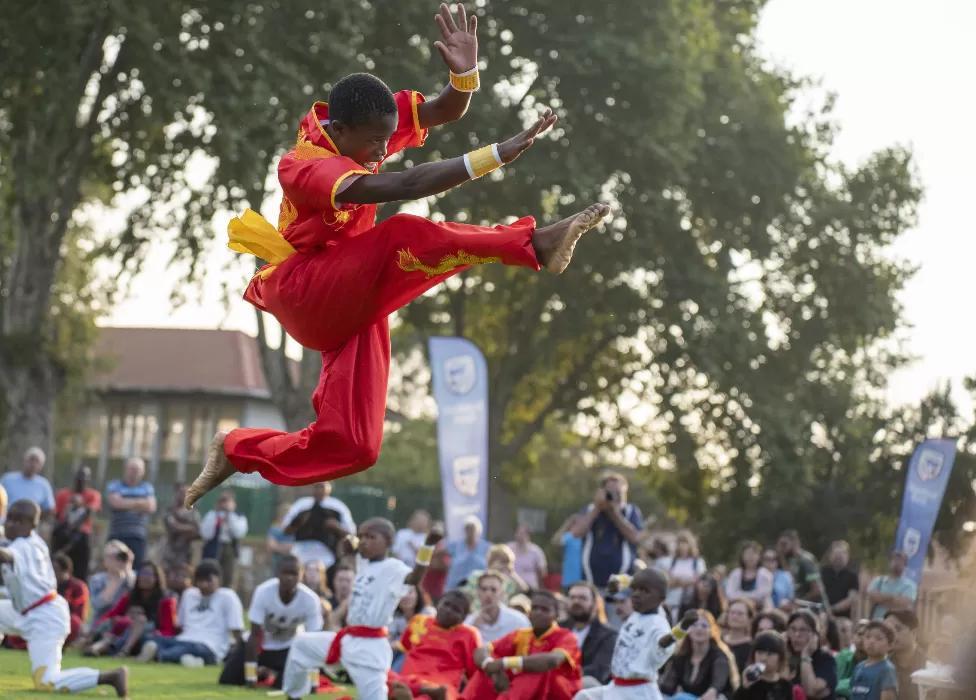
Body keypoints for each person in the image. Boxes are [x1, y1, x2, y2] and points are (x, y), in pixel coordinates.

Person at [183, 3, 610, 509]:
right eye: (374, 144)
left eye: (387, 140)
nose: (382, 152)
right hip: (306, 290)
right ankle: (534, 243)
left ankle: (237, 449)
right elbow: (405, 185)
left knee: (355, 444)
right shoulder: (305, 165)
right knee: (404, 234)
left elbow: (444, 110)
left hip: (353, 293)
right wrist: (496, 154)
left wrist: (464, 75)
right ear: (341, 130)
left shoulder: (365, 124)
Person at [281, 518, 443, 698]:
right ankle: (294, 696)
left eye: (371, 537)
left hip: (370, 647)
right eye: (362, 536)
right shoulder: (364, 562)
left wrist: (428, 546)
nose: (365, 541)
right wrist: (341, 532)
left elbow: (415, 578)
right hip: (347, 639)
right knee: (301, 645)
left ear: (388, 542)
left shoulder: (393, 568)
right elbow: (353, 543)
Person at [0, 499, 128, 696]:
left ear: (32, 525)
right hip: (25, 611)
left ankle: (110, 677)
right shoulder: (20, 540)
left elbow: (5, 556)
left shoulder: (27, 546)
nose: (11, 524)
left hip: (45, 617)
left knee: (46, 682)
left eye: (18, 521)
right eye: (9, 518)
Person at [573, 568, 697, 700]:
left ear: (661, 599)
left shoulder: (658, 623)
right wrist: (618, 582)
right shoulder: (638, 614)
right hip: (616, 687)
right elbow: (637, 579)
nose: (636, 594)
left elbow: (663, 643)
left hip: (638, 691)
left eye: (644, 591)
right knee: (583, 696)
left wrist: (682, 628)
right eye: (635, 590)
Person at [220, 554, 323, 688]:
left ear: (301, 575)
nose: (289, 578)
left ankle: (273, 674)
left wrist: (314, 682)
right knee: (228, 679)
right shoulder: (263, 591)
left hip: (288, 649)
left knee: (284, 686)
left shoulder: (310, 599)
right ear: (277, 574)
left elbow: (313, 642)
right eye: (285, 573)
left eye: (294, 574)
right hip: (261, 647)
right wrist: (251, 677)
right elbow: (254, 634)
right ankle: (260, 674)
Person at [463, 590, 582, 699]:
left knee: (535, 670)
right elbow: (482, 650)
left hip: (557, 692)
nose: (538, 612)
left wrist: (503, 663)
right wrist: (489, 665)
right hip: (525, 692)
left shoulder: (566, 636)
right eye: (534, 608)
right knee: (486, 669)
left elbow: (552, 661)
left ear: (556, 615)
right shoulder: (521, 634)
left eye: (545, 609)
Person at [137, 558, 244, 666]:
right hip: (184, 639)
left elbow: (236, 629)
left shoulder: (228, 596)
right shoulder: (189, 594)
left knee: (188, 648)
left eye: (208, 581)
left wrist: (238, 654)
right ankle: (189, 660)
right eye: (200, 581)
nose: (203, 585)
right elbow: (180, 625)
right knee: (149, 638)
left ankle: (159, 655)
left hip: (210, 646)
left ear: (218, 579)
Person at [388, 590, 482, 700]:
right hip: (409, 681)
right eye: (446, 604)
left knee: (427, 696)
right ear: (438, 604)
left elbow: (474, 673)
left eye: (456, 610)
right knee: (382, 675)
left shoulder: (469, 634)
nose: (448, 611)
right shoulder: (419, 621)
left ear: (463, 618)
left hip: (440, 688)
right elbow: (405, 646)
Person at [86, 560, 177, 658]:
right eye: (142, 573)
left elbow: (169, 629)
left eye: (149, 574)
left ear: (157, 578)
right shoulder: (130, 596)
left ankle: (123, 651)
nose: (144, 577)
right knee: (113, 628)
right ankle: (96, 648)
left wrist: (154, 632)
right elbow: (112, 614)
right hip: (120, 632)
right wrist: (97, 627)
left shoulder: (165, 600)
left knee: (140, 621)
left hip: (147, 636)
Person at [573, 472, 643, 590]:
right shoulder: (591, 509)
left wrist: (614, 513)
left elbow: (635, 537)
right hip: (591, 581)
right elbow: (576, 533)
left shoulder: (631, 511)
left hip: (622, 584)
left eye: (618, 493)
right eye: (610, 492)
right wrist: (597, 508)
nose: (614, 496)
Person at [658, 610, 739, 700]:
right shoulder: (680, 657)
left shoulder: (719, 657)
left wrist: (713, 691)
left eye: (704, 625)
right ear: (688, 630)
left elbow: (717, 684)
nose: (699, 629)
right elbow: (667, 688)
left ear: (711, 631)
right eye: (694, 625)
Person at [280, 481, 355, 570]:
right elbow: (285, 529)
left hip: (328, 554)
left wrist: (336, 527)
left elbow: (351, 533)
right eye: (316, 486)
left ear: (329, 487)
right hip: (301, 551)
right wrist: (298, 523)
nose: (319, 490)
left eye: (322, 486)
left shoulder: (338, 506)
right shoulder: (301, 505)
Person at [562, 581, 617, 686]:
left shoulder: (608, 635)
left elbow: (599, 670)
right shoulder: (559, 628)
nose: (576, 601)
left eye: (582, 598)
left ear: (595, 604)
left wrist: (564, 676)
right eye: (572, 597)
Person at [52, 464, 101, 581]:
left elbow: (90, 511)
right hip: (63, 535)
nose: (81, 480)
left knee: (81, 572)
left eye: (85, 477)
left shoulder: (93, 495)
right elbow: (57, 515)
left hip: (81, 535)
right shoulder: (63, 494)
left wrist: (80, 505)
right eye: (79, 477)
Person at [105, 457, 157, 568]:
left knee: (136, 568)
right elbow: (116, 503)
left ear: (143, 472)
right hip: (117, 534)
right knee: (114, 566)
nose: (134, 472)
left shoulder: (147, 487)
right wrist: (140, 503)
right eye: (132, 469)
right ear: (125, 469)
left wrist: (125, 502)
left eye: (138, 470)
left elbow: (151, 506)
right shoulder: (115, 485)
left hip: (138, 536)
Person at [199, 489, 249, 588]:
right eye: (222, 500)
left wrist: (229, 515)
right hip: (212, 548)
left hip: (230, 548)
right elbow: (206, 534)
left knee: (228, 577)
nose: (224, 504)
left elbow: (238, 533)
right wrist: (216, 515)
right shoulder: (212, 515)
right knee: (210, 576)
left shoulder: (238, 516)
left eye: (227, 501)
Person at [465, 570, 530, 643]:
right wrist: (474, 627)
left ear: (502, 593)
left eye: (493, 590)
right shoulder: (469, 622)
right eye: (484, 589)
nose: (488, 594)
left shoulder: (518, 621)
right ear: (478, 592)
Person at [786, 609, 837, 700]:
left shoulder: (825, 659)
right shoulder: (786, 658)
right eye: (793, 629)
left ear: (815, 635)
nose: (797, 634)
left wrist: (805, 655)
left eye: (803, 630)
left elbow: (810, 690)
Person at [656, 531, 707, 620]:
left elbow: (700, 580)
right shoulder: (671, 562)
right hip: (672, 603)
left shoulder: (698, 562)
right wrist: (686, 581)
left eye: (684, 543)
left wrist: (679, 582)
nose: (682, 546)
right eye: (679, 543)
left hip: (691, 603)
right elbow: (667, 581)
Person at [733, 631, 797, 700]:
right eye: (760, 653)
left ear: (780, 657)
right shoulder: (749, 682)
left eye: (770, 654)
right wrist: (744, 687)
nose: (764, 658)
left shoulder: (785, 686)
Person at [87, 539, 135, 622]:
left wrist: (128, 567)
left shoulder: (133, 577)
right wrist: (116, 579)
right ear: (105, 560)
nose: (118, 560)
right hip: (103, 622)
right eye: (113, 556)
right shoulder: (97, 579)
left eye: (121, 556)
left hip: (127, 623)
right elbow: (98, 605)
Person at [1, 447, 55, 518]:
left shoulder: (44, 485)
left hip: (30, 523)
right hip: (6, 520)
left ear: (41, 466)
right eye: (31, 460)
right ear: (25, 460)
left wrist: (34, 517)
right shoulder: (8, 479)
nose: (33, 464)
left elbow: (49, 508)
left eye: (37, 461)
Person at [848, 622, 896, 700]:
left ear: (890, 645)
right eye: (868, 637)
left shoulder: (886, 669)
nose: (871, 641)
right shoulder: (859, 667)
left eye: (878, 638)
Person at [883, 610, 925, 700]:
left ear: (914, 633)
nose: (892, 635)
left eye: (898, 629)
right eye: (887, 631)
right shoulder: (882, 665)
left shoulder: (930, 666)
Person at [866, 551, 917, 621]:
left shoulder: (910, 585)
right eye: (895, 560)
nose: (897, 564)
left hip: (896, 624)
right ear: (889, 563)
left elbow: (903, 604)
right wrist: (893, 598)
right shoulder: (878, 581)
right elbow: (871, 596)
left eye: (900, 561)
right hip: (875, 622)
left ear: (905, 565)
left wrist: (881, 599)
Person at [160, 483, 201, 570]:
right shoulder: (170, 510)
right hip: (171, 549)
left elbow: (196, 530)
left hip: (187, 550)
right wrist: (188, 527)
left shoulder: (194, 512)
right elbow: (172, 526)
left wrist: (181, 526)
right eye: (181, 492)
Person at [777, 532, 823, 607]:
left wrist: (799, 601)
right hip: (797, 601)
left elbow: (817, 589)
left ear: (794, 543)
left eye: (784, 544)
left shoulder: (806, 560)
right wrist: (781, 554)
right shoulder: (791, 559)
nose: (781, 548)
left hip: (810, 605)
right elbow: (789, 577)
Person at [725, 541, 773, 611]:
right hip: (738, 608)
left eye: (754, 554)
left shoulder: (766, 574)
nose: (750, 557)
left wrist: (741, 596)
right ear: (742, 556)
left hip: (761, 609)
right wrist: (745, 599)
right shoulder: (735, 573)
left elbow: (762, 595)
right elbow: (730, 594)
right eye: (747, 553)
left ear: (759, 556)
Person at [52, 553, 89, 645]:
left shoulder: (78, 587)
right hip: (50, 620)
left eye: (56, 570)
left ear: (66, 570)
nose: (53, 573)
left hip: (69, 622)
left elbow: (79, 614)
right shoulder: (49, 586)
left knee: (73, 622)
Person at [446, 515, 491, 589]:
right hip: (455, 586)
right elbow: (440, 556)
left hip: (479, 586)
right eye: (468, 528)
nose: (470, 531)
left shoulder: (487, 547)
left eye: (472, 528)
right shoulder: (455, 545)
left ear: (478, 530)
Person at [820, 541, 860, 619]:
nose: (839, 557)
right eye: (836, 554)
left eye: (842, 553)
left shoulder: (852, 576)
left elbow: (851, 599)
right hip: (822, 614)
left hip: (842, 617)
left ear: (847, 556)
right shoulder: (822, 572)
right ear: (830, 555)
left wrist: (832, 609)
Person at [836, 619, 869, 699]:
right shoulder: (844, 656)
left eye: (867, 636)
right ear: (853, 637)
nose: (862, 638)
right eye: (860, 634)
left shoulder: (876, 663)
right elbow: (833, 684)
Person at [724, 598, 757, 675]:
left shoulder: (753, 645)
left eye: (740, 614)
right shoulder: (719, 641)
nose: (735, 616)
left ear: (749, 619)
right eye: (732, 612)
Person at [510, 524, 547, 591]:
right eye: (518, 533)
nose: (519, 536)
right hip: (511, 586)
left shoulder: (536, 551)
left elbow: (542, 572)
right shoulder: (508, 549)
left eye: (522, 533)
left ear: (528, 535)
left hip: (530, 587)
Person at [553, 513, 584, 590]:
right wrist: (567, 524)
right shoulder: (569, 537)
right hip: (569, 581)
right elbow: (556, 541)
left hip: (585, 581)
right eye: (576, 524)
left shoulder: (587, 538)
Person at [266, 500, 297, 572]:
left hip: (293, 562)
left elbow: (297, 546)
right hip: (278, 562)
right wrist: (287, 547)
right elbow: (271, 546)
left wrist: (279, 546)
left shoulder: (297, 530)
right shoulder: (274, 529)